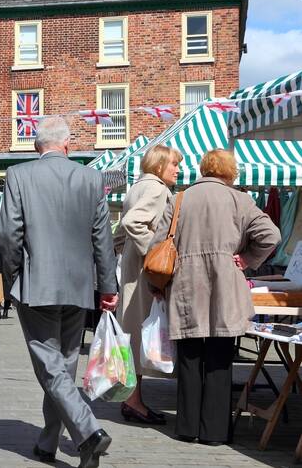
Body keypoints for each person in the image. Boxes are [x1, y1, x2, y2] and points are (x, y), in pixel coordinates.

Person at [0, 117, 118, 468]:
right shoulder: (91, 177)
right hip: (79, 286)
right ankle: (49, 443)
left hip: (37, 284)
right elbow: (102, 239)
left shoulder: (19, 175)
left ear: (39, 147)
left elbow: (8, 235)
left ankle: (88, 431)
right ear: (67, 145)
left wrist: (14, 276)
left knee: (50, 367)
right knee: (62, 365)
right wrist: (107, 286)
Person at [151, 149, 280, 445]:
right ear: (230, 171)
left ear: (203, 169)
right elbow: (271, 235)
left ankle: (186, 427)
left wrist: (155, 285)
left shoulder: (180, 198)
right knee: (220, 358)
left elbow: (157, 243)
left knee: (190, 356)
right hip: (225, 285)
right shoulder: (240, 200)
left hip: (185, 283)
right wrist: (247, 259)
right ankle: (214, 432)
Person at [113, 144, 182, 425]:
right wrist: (151, 254)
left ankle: (133, 398)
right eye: (174, 164)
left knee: (133, 334)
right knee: (140, 335)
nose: (178, 169)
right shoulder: (157, 189)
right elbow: (133, 222)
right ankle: (133, 401)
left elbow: (120, 230)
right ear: (159, 166)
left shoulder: (138, 186)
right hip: (144, 271)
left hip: (133, 267)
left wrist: (124, 251)